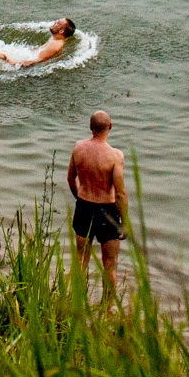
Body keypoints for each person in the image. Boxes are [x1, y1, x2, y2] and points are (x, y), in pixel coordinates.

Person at [67, 110, 128, 300]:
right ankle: (108, 310)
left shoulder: (78, 148)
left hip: (84, 207)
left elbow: (70, 178)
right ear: (110, 126)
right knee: (110, 264)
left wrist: (80, 197)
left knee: (80, 259)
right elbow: (119, 193)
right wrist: (124, 222)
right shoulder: (115, 156)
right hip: (106, 212)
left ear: (90, 127)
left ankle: (76, 302)